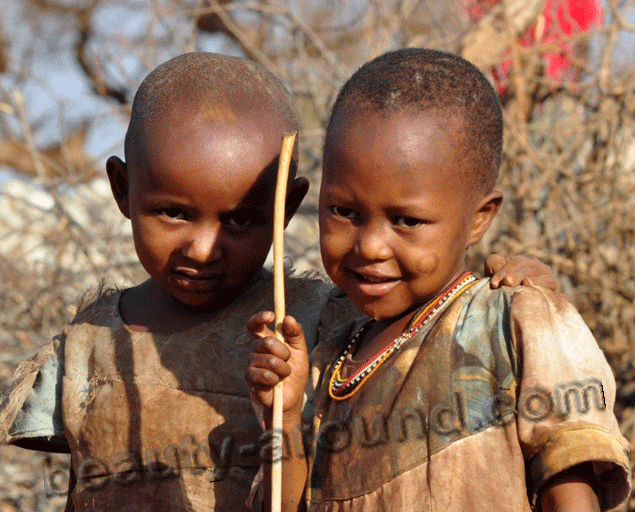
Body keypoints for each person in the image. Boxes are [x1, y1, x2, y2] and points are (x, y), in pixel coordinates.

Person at [0, 52, 555, 512]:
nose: (202, 248)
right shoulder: (90, 341)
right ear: (123, 190)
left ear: (285, 210)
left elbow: (429, 314)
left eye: (241, 220)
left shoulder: (317, 322)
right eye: (172, 212)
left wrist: (512, 282)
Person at [246, 48, 630, 512]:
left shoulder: (512, 321)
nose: (369, 245)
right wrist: (284, 420)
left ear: (478, 219)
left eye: (406, 220)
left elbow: (570, 476)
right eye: (344, 212)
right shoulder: (328, 361)